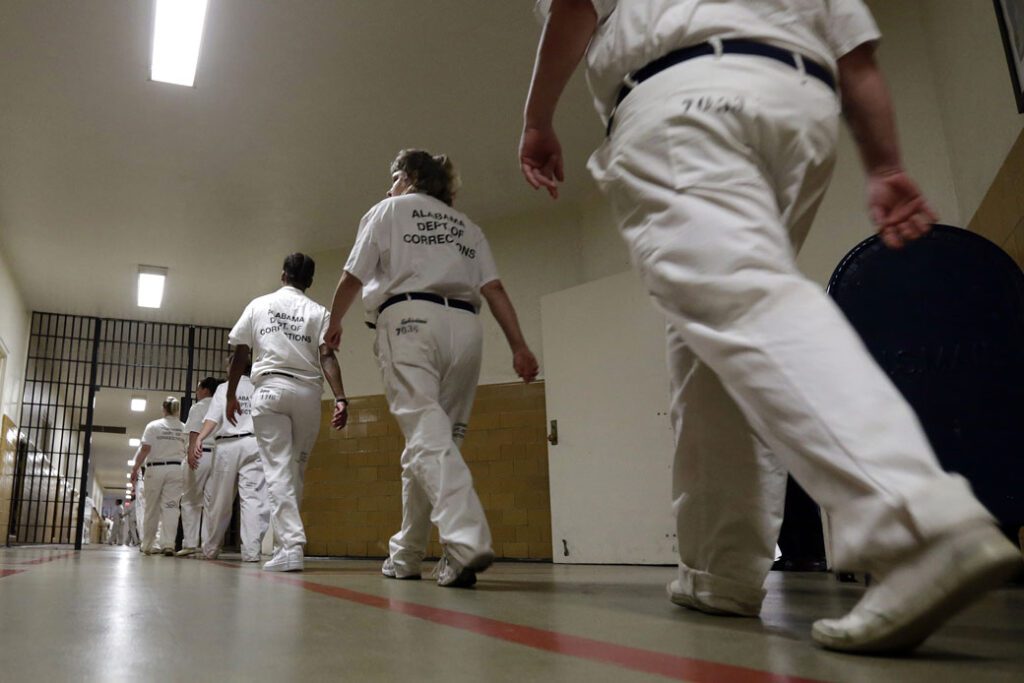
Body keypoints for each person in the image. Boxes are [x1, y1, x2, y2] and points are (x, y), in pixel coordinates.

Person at [518, 0, 1020, 653]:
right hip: (801, 106)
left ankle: (917, 523)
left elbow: (574, 8)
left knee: (739, 297)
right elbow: (856, 55)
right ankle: (719, 570)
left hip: (682, 96)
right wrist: (885, 164)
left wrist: (536, 121)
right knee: (710, 333)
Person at [325, 150, 539, 588]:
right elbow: (493, 288)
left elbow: (352, 275)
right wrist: (519, 345)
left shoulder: (387, 210)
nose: (389, 187)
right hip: (467, 328)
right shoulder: (468, 227)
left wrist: (333, 324)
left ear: (407, 177)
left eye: (394, 177)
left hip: (409, 320)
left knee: (426, 434)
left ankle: (464, 538)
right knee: (438, 442)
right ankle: (407, 554)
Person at [227, 253, 348, 572]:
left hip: (270, 390)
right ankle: (284, 546)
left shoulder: (258, 305)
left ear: (283, 275)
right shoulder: (319, 312)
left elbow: (240, 353)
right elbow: (328, 357)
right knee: (295, 469)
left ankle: (291, 545)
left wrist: (230, 396)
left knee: (280, 469)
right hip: (308, 394)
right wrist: (341, 398)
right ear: (309, 282)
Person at [190, 354, 269, 561]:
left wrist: (200, 437)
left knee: (220, 501)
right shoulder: (259, 386)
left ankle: (211, 548)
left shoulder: (225, 389)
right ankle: (251, 552)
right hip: (254, 444)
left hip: (228, 445)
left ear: (231, 368)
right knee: (252, 500)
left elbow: (212, 418)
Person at [130, 397, 187, 556]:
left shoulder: (153, 426)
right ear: (177, 409)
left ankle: (148, 544)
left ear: (164, 409)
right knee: (171, 507)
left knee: (152, 508)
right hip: (176, 469)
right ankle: (168, 544)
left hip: (155, 469)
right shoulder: (184, 428)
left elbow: (145, 449)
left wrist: (135, 468)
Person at [177, 376, 223, 557]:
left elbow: (195, 430)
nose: (196, 393)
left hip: (200, 453)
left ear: (205, 390)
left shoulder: (199, 406)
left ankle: (189, 544)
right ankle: (209, 546)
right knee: (212, 503)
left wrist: (190, 452)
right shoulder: (223, 404)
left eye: (198, 389)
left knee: (190, 500)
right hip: (219, 456)